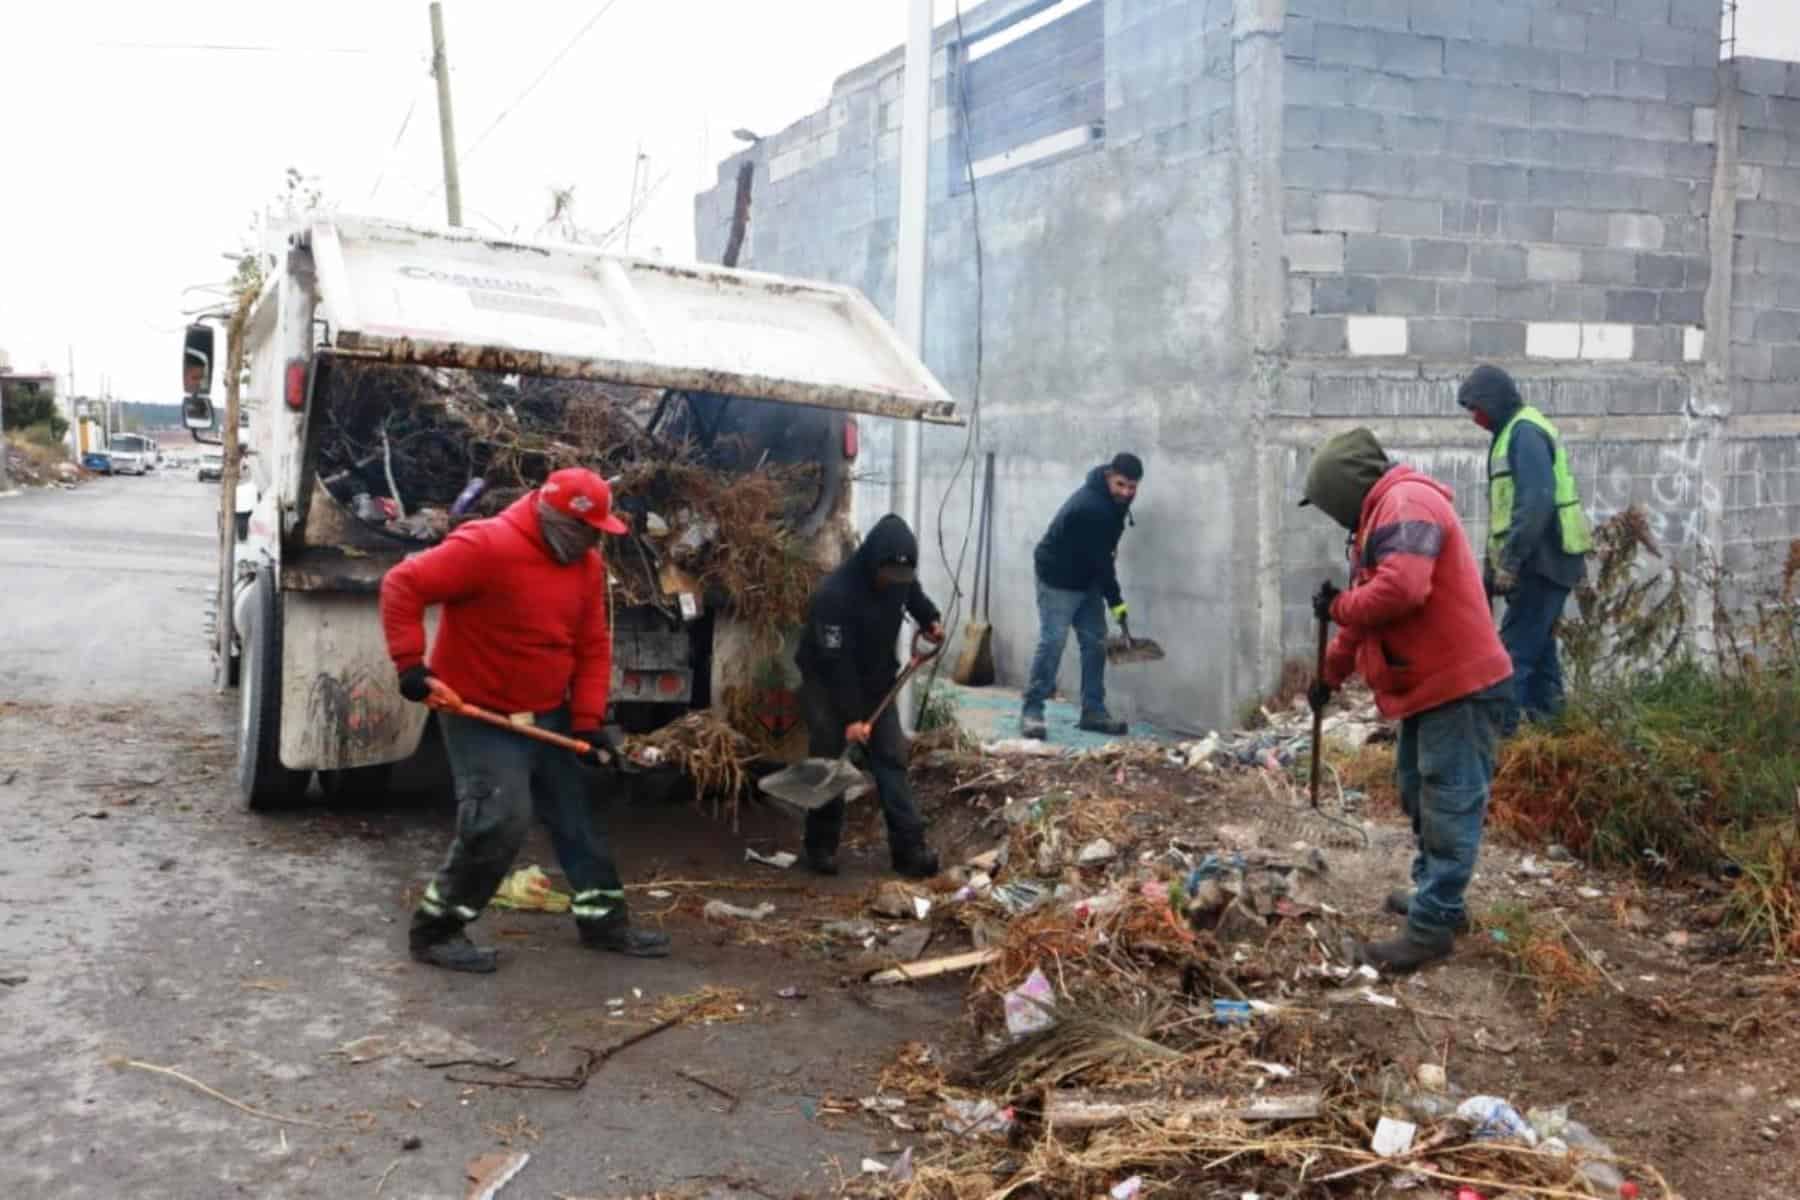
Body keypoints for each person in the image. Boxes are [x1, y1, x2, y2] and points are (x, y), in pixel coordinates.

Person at [380, 467, 671, 973]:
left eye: (597, 533)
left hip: (546, 710)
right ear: (555, 519)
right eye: (586, 531)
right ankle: (437, 930)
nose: (592, 542)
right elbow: (402, 584)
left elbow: (592, 646)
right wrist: (411, 667)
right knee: (500, 818)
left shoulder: (585, 566)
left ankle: (604, 921)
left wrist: (586, 720)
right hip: (478, 711)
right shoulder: (485, 547)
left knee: (578, 812)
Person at [1301, 429, 1514, 972]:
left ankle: (1432, 927)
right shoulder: (1377, 520)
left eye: (1328, 504)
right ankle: (1436, 898)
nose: (1330, 516)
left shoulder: (1406, 502)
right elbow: (1360, 621)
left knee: (1448, 800)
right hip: (1428, 686)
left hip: (1459, 684)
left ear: (1346, 489)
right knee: (1419, 793)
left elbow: (1401, 590)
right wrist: (1329, 675)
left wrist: (1341, 606)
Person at [794, 514, 945, 878]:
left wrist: (930, 620)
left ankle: (910, 852)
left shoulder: (898, 577)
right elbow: (836, 664)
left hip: (877, 680)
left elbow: (914, 595)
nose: (892, 583)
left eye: (900, 577)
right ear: (872, 561)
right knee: (832, 761)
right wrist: (851, 719)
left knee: (891, 760)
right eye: (888, 575)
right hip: (828, 684)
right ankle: (819, 848)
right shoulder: (835, 595)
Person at [1457, 365, 1592, 730]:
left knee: (1511, 656)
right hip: (1542, 562)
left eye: (1476, 409)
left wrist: (1510, 564)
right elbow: (1506, 514)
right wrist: (1490, 575)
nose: (1475, 418)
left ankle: (1500, 740)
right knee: (1540, 652)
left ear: (1493, 402)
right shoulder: (1511, 433)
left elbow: (1536, 502)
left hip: (1543, 562)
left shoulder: (1524, 434)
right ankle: (1553, 729)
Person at [1020, 453, 1143, 740]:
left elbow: (1101, 557)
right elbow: (1103, 560)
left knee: (1095, 642)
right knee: (1053, 641)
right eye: (1121, 484)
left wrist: (1113, 601)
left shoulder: (1114, 503)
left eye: (1132, 487)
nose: (1126, 492)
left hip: (1087, 577)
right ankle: (1032, 711)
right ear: (1108, 476)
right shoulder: (1091, 507)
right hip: (1058, 577)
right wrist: (1116, 603)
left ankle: (1093, 711)